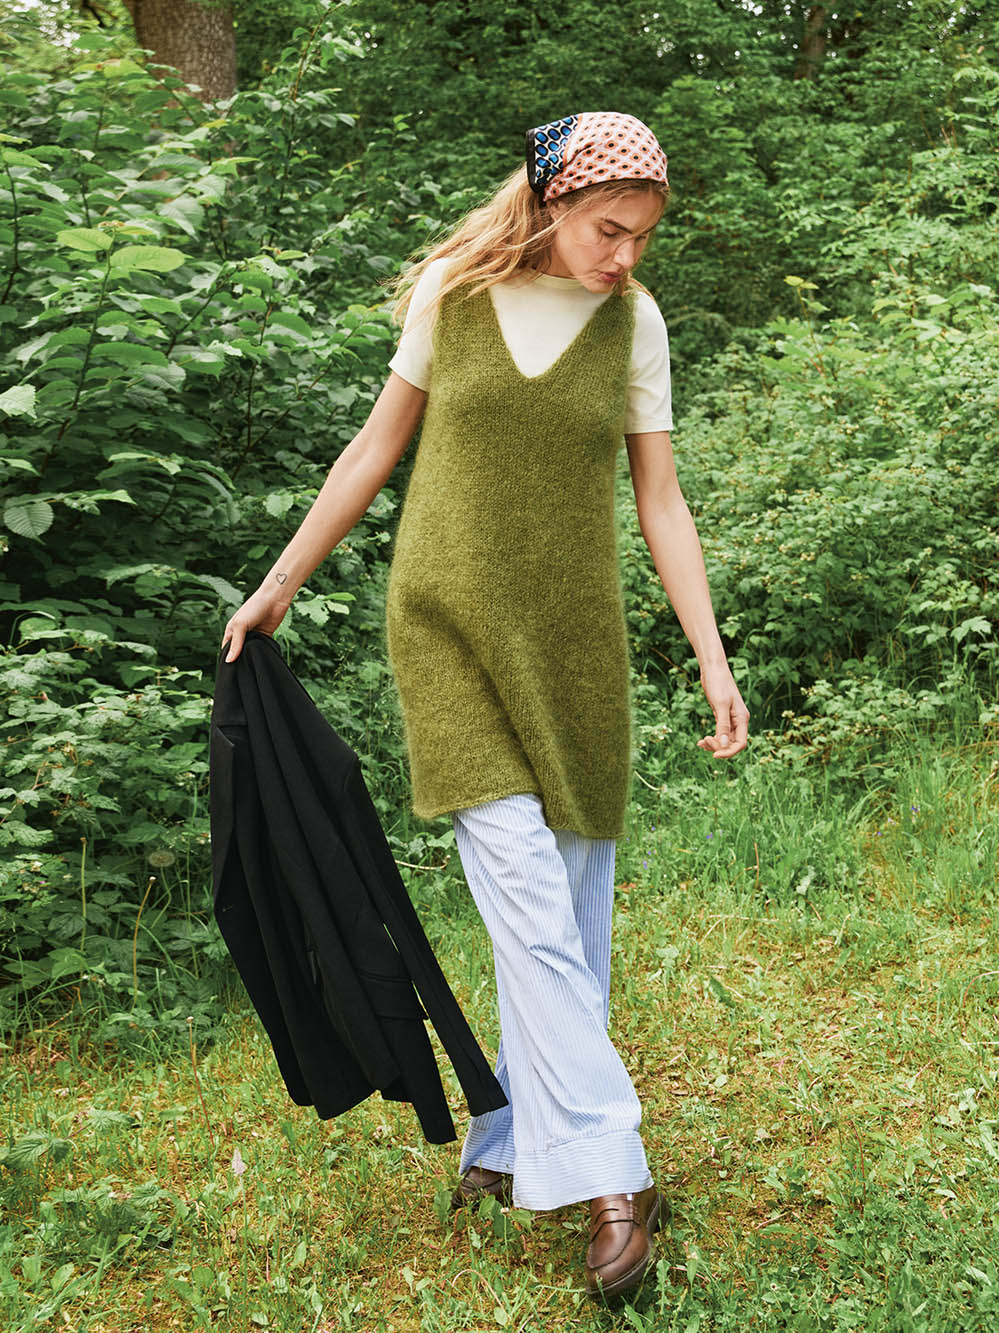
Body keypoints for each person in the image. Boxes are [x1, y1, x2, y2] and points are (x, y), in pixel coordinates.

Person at [221, 111, 749, 1302]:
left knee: (569, 905)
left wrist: (712, 656)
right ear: (553, 200)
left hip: (575, 648)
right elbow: (373, 449)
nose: (625, 255)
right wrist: (278, 585)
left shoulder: (635, 324)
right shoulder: (452, 298)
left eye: (643, 235)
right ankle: (612, 1173)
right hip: (446, 630)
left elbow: (660, 500)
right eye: (608, 229)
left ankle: (507, 1134)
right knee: (522, 887)